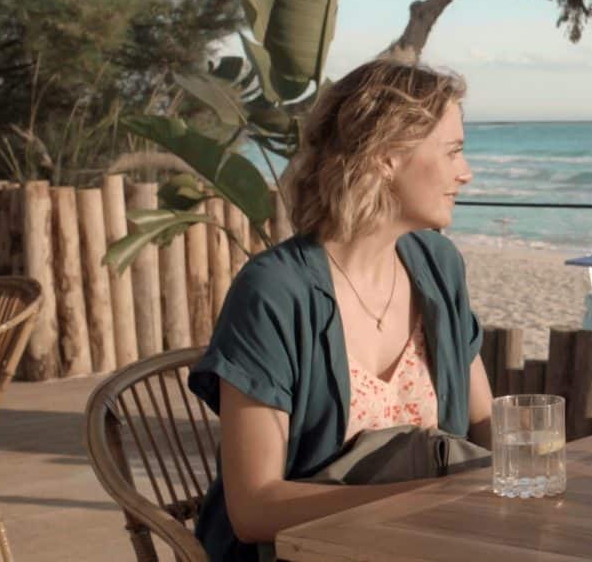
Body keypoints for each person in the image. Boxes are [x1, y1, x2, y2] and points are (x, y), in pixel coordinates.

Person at [187, 60, 489, 560]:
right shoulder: (274, 293)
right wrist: (432, 498)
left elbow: (486, 424)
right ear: (387, 157)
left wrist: (529, 474)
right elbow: (253, 510)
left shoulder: (439, 267)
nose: (466, 172)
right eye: (453, 151)